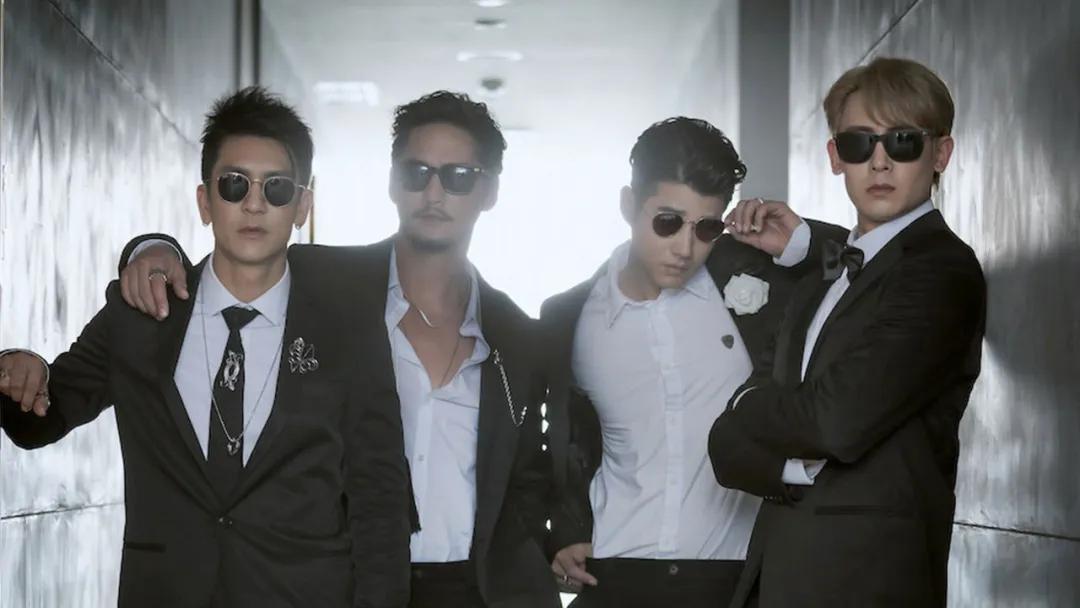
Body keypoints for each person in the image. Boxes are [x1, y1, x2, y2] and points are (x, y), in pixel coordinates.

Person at [117, 91, 559, 608]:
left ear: (490, 191)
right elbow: (226, 266)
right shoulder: (319, 279)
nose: (434, 192)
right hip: (345, 586)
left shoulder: (518, 336)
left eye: (458, 176)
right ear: (392, 181)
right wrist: (153, 249)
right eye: (416, 172)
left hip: (473, 591)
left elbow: (528, 478)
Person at [0, 86, 413, 607]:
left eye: (277, 188)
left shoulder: (348, 331)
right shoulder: (141, 315)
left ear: (303, 206)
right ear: (204, 201)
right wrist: (16, 372)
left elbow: (380, 497)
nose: (254, 204)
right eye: (234, 184)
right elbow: (42, 417)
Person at [708, 57, 987, 607]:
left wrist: (745, 405)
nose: (879, 162)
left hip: (869, 585)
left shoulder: (942, 272)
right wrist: (787, 464)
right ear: (836, 157)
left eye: (903, 141)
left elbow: (834, 422)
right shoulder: (823, 279)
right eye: (859, 143)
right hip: (778, 577)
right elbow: (724, 449)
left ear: (940, 154)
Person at [541, 117, 844, 607]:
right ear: (628, 205)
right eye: (667, 221)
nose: (685, 248)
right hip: (616, 577)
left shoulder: (753, 282)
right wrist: (563, 529)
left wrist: (802, 242)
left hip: (737, 579)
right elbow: (557, 440)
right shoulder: (568, 318)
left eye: (705, 228)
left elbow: (879, 272)